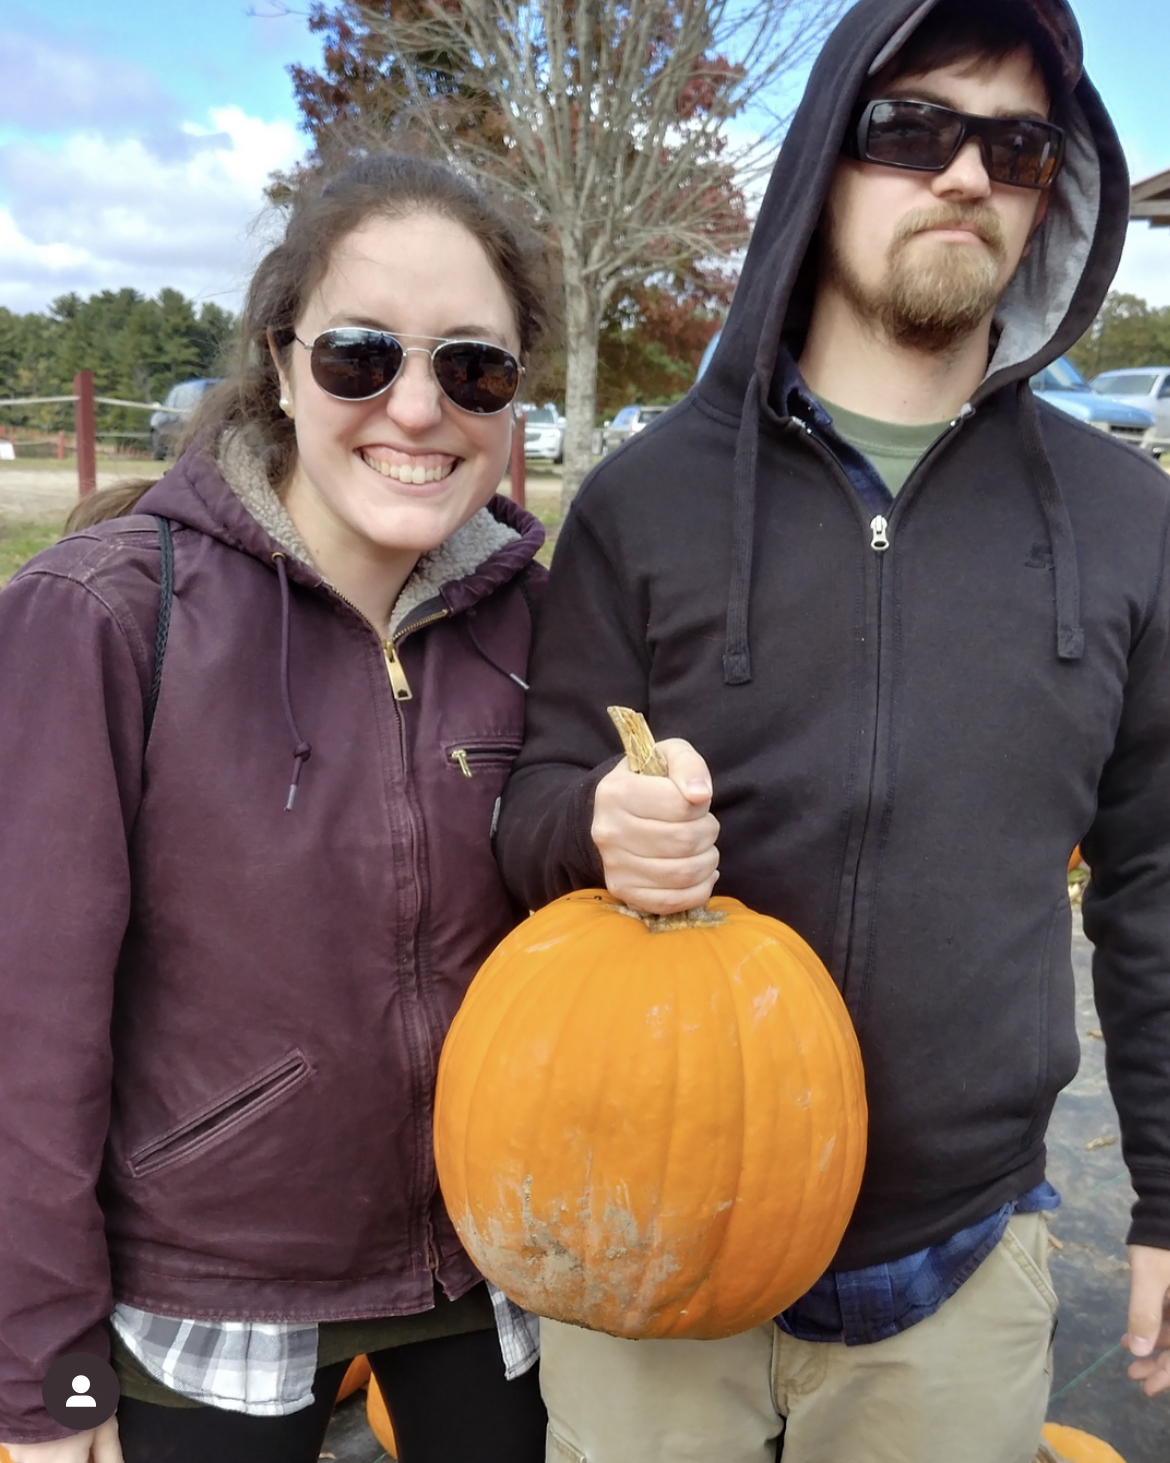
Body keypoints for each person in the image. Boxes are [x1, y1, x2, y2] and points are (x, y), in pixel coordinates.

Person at [494, 0, 1170, 1458]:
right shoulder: (647, 500)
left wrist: (1166, 1199)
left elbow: (1155, 876)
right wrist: (592, 826)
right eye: (909, 128)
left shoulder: (1127, 521)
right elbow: (534, 794)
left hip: (962, 1256)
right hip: (647, 1237)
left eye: (1016, 143)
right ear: (822, 161)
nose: (964, 176)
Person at [0, 153, 550, 1463]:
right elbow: (28, 1035)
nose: (417, 408)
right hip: (206, 1290)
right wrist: (44, 1393)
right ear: (282, 356)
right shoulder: (106, 616)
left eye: (471, 367)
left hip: (495, 1267)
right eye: (363, 356)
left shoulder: (539, 618)